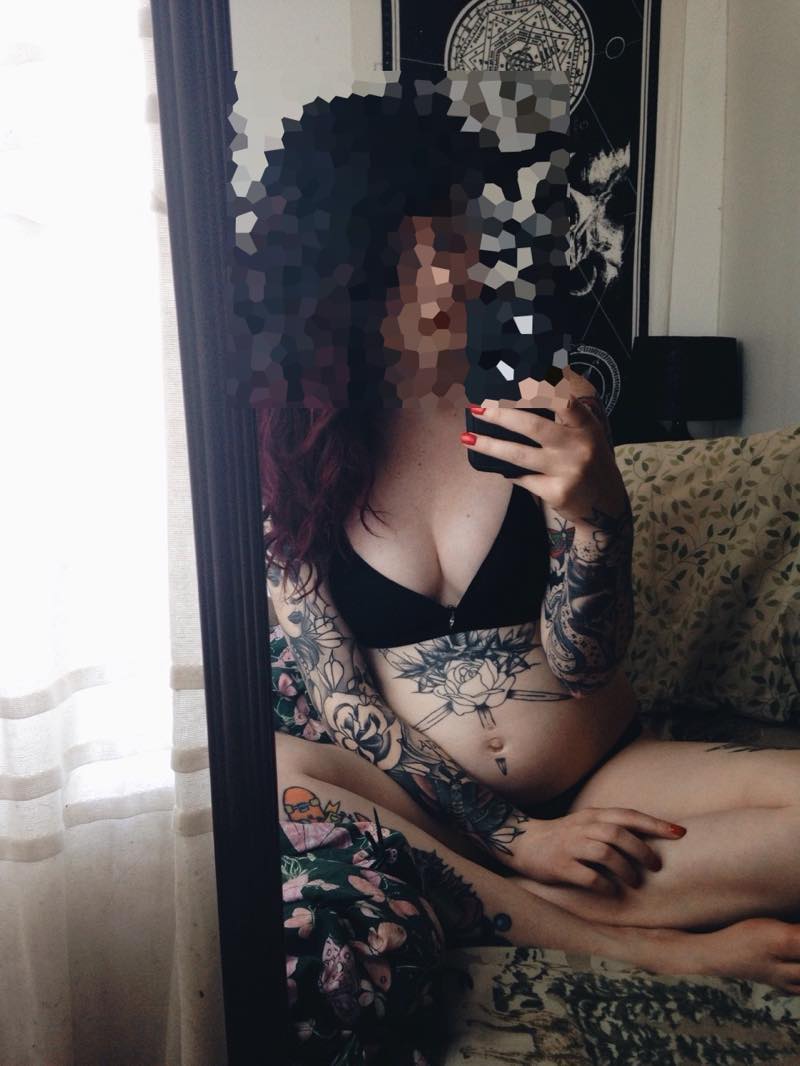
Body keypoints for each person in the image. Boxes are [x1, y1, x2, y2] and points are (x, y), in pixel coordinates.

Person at [255, 87, 800, 992]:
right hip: (433, 814)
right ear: (333, 278)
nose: (445, 278)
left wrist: (599, 515)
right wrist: (517, 838)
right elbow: (345, 702)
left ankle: (497, 907)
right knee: (272, 768)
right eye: (405, 259)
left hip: (605, 779)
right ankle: (649, 940)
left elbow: (586, 664)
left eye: (453, 241)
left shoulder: (535, 402)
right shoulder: (292, 459)